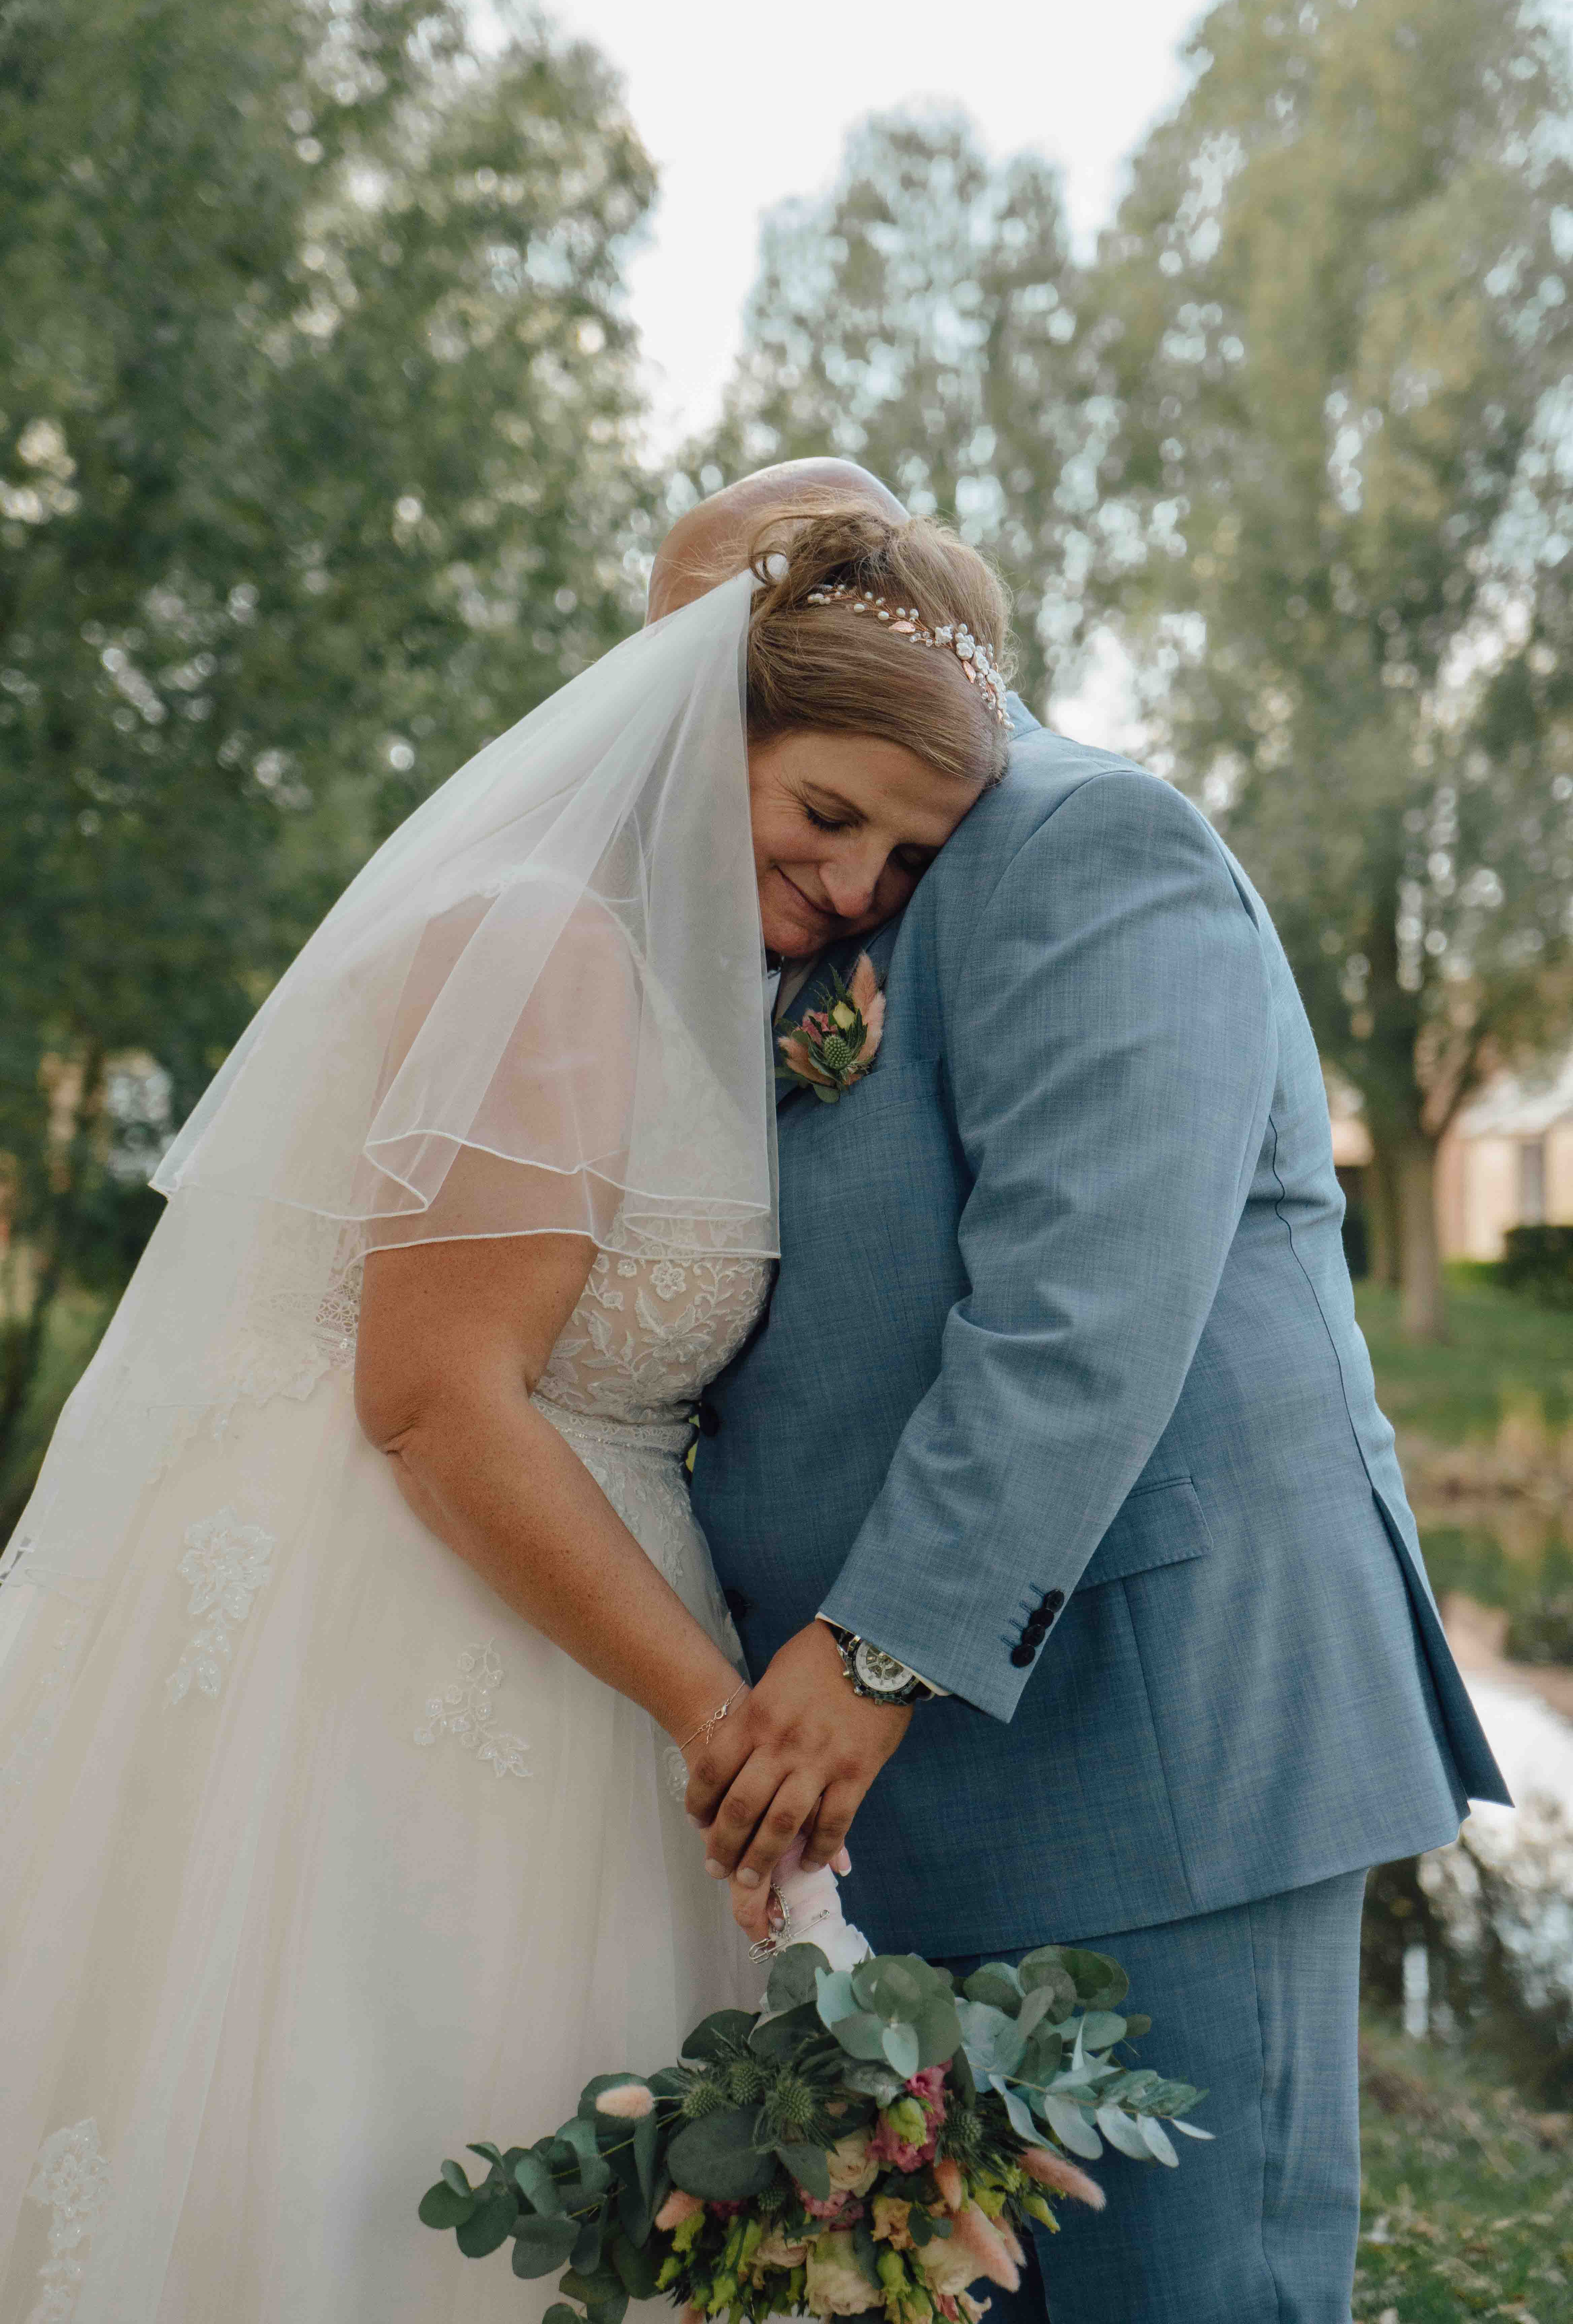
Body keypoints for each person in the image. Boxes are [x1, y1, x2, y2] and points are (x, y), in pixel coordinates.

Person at [0, 494, 1008, 2322]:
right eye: (829, 815)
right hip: (403, 1624)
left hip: (573, 1622)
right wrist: (725, 1729)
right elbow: (439, 1402)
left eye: (907, 859)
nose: (859, 890)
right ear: (711, 734)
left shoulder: (692, 978)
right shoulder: (544, 945)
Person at [683, 467, 1512, 2322]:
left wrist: (877, 1651)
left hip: (1160, 1752)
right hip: (876, 1802)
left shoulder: (1089, 841)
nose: (853, 884)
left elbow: (1088, 1305)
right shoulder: (787, 908)